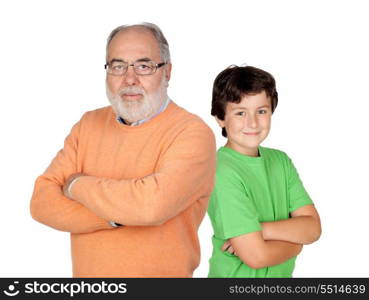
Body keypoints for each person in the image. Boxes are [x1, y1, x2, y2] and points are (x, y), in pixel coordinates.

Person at [30, 22, 216, 277]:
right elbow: (41, 202)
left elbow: (151, 206)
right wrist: (113, 217)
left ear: (167, 72)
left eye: (143, 66)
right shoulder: (88, 124)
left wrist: (76, 186)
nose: (129, 79)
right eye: (118, 66)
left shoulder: (192, 132)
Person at [208, 65, 321, 277]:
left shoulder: (280, 161)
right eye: (240, 113)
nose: (252, 122)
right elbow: (257, 257)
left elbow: (313, 228)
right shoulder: (220, 170)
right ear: (221, 118)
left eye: (261, 111)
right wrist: (297, 244)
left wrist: (261, 230)